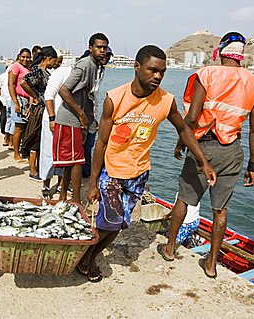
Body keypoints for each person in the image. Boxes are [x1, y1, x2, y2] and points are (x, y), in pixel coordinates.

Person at [77, 45, 216, 282]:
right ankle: (85, 259)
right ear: (137, 67)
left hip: (139, 172)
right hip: (112, 170)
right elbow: (100, 142)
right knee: (109, 222)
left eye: (162, 72)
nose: (158, 77)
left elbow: (183, 128)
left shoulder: (166, 101)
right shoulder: (115, 98)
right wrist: (92, 183)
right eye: (152, 70)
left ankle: (88, 256)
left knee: (121, 223)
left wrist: (204, 162)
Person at [159, 32, 254, 279]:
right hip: (232, 151)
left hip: (202, 148)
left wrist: (179, 141)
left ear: (221, 50)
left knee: (184, 200)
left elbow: (193, 117)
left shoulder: (207, 74)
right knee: (221, 211)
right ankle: (211, 264)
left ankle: (170, 247)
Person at [53, 33, 109, 204]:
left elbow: (89, 96)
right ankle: (76, 200)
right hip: (69, 119)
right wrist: (81, 114)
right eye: (99, 47)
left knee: (72, 161)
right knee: (77, 161)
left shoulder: (97, 67)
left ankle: (64, 195)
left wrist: (89, 119)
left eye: (104, 47)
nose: (102, 50)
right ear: (90, 48)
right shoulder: (84, 65)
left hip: (78, 120)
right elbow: (63, 90)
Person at [20, 46, 58, 181]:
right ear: (48, 59)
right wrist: (35, 96)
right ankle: (32, 171)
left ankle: (38, 168)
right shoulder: (38, 71)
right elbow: (23, 82)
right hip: (39, 111)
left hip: (43, 109)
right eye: (54, 60)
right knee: (35, 140)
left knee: (41, 140)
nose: (55, 63)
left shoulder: (44, 72)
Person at [40, 51, 72, 198]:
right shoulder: (60, 73)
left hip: (68, 120)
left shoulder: (86, 75)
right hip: (52, 119)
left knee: (64, 155)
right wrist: (52, 118)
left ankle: (60, 185)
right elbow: (49, 96)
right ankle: (45, 185)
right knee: (48, 153)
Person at [82, 46, 113, 178]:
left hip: (92, 113)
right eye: (104, 56)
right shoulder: (86, 68)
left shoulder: (100, 70)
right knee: (83, 145)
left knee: (89, 144)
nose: (105, 58)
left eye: (107, 56)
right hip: (83, 113)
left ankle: (87, 171)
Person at [7, 48, 31, 162]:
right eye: (23, 57)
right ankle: (16, 153)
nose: (25, 59)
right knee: (19, 127)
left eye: (27, 57)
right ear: (19, 56)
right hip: (19, 99)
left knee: (25, 127)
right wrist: (15, 102)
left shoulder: (28, 68)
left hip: (27, 100)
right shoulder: (15, 66)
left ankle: (22, 151)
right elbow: (10, 85)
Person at [0, 62, 14, 147]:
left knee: (10, 118)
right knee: (4, 118)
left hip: (11, 99)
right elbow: (0, 88)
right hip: (3, 100)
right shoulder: (3, 76)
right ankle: (6, 135)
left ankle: (9, 138)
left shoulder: (13, 75)